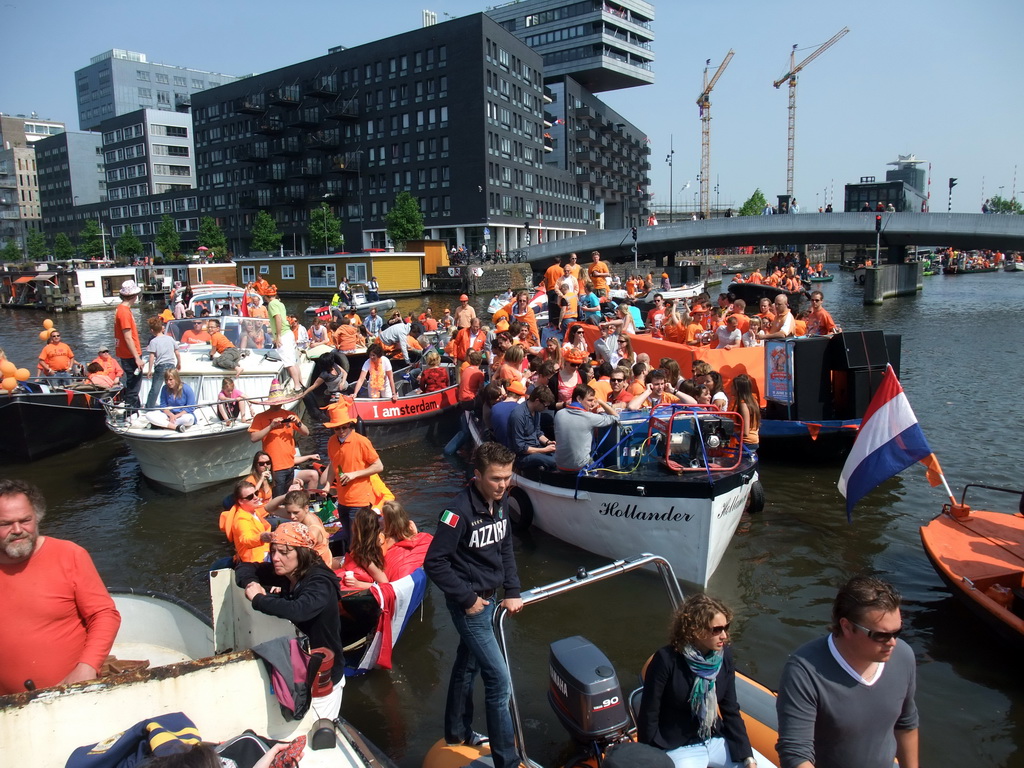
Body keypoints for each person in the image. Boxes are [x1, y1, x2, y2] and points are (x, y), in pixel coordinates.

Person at [424, 442, 523, 764]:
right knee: (499, 680)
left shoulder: (502, 500)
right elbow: (435, 562)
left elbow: (505, 545)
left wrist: (513, 589)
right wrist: (467, 599)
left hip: (493, 599)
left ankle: (456, 731)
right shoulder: (457, 513)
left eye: (507, 477)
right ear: (477, 475)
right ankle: (506, 761)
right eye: (496, 478)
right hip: (472, 605)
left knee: (467, 667)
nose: (503, 484)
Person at [776, 575, 919, 768]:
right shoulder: (803, 671)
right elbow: (796, 754)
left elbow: (906, 724)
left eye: (897, 632)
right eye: (880, 635)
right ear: (847, 627)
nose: (892, 642)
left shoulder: (903, 656)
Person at [0, 479, 121, 694]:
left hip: (71, 694)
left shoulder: (69, 555)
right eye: (5, 524)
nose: (18, 530)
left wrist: (88, 667)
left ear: (37, 517)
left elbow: (104, 615)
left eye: (25, 520)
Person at [638, 593, 766, 768]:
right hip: (678, 747)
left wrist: (747, 757)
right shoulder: (666, 660)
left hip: (715, 739)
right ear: (696, 630)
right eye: (717, 630)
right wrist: (649, 758)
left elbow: (730, 709)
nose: (724, 636)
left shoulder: (724, 656)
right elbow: (649, 713)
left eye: (726, 628)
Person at [236, 522, 345, 718]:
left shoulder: (320, 582)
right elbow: (245, 566)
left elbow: (299, 610)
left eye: (284, 552)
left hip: (322, 674)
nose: (276, 558)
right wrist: (251, 583)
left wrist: (259, 599)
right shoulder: (287, 572)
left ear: (301, 554)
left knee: (315, 727)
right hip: (296, 668)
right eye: (274, 551)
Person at [319, 399, 384, 553]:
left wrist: (355, 474)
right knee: (349, 539)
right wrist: (327, 485)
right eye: (337, 428)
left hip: (360, 500)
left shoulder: (362, 442)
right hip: (342, 500)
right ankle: (352, 565)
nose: (341, 431)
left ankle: (362, 569)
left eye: (344, 427)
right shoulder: (331, 442)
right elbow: (333, 466)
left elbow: (379, 466)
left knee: (358, 540)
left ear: (350, 425)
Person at [248, 381, 310, 495]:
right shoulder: (260, 417)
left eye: (280, 402)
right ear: (270, 403)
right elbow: (253, 438)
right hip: (274, 467)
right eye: (275, 402)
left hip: (290, 464)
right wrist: (270, 426)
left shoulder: (290, 414)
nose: (278, 404)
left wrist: (298, 423)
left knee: (287, 496)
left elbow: (306, 432)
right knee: (277, 497)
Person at [554, 384, 619, 471]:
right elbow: (615, 417)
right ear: (579, 399)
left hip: (560, 465)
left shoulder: (559, 414)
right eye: (590, 400)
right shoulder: (589, 417)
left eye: (594, 400)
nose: (592, 404)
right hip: (580, 467)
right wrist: (601, 402)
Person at [264, 489, 332, 566]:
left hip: (319, 568)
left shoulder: (313, 529)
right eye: (289, 512)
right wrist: (287, 495)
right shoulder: (302, 515)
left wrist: (277, 536)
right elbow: (268, 508)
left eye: (295, 512)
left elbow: (301, 552)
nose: (292, 517)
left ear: (306, 508)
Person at [220, 479, 271, 564]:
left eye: (256, 493)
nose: (256, 497)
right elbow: (246, 539)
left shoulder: (253, 510)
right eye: (250, 497)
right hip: (255, 561)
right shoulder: (241, 520)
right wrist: (261, 537)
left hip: (265, 551)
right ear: (240, 501)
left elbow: (268, 508)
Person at [337, 507, 389, 590]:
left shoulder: (365, 556)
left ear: (357, 528)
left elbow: (385, 583)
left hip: (363, 588)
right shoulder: (379, 537)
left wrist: (358, 584)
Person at [508, 385, 557, 470]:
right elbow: (520, 448)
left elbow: (538, 432)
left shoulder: (537, 411)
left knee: (561, 456)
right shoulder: (518, 416)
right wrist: (545, 450)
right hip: (522, 456)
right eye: (545, 406)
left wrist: (548, 442)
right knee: (554, 462)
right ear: (537, 401)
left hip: (536, 448)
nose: (546, 409)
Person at [115, 279, 145, 413]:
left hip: (126, 352)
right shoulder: (124, 312)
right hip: (130, 354)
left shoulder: (121, 310)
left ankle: (135, 410)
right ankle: (131, 412)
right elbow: (127, 336)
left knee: (133, 383)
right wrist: (136, 357)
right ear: (134, 296)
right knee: (134, 385)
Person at [266, 287, 302, 391]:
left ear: (266, 297)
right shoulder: (280, 303)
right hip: (288, 333)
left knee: (288, 363)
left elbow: (278, 317)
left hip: (283, 335)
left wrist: (277, 336)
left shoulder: (271, 304)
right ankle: (300, 384)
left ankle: (297, 387)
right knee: (293, 361)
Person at [145, 316, 181, 411]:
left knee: (155, 389)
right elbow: (177, 352)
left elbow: (152, 356)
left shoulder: (153, 341)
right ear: (162, 328)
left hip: (161, 366)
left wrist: (149, 370)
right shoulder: (170, 339)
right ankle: (177, 404)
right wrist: (179, 363)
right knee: (174, 386)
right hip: (171, 365)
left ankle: (149, 407)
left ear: (152, 330)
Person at [730, 373, 760, 454]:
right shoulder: (754, 401)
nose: (731, 388)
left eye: (733, 386)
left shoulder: (743, 405)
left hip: (745, 444)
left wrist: (728, 433)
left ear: (737, 389)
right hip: (753, 442)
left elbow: (745, 432)